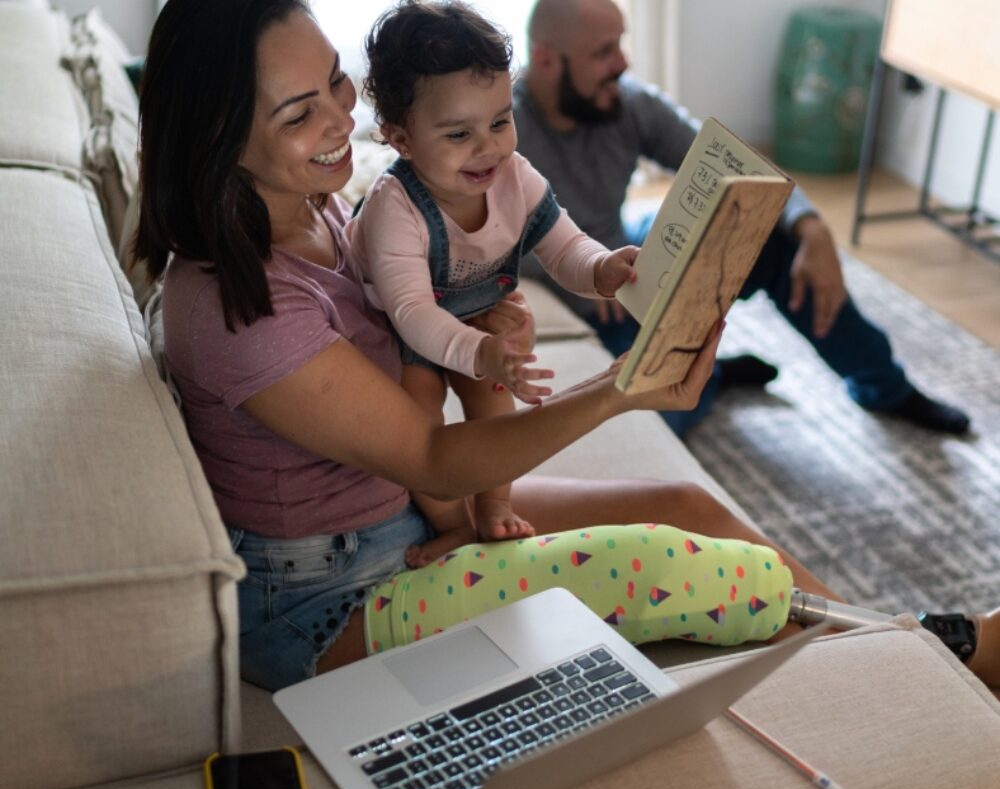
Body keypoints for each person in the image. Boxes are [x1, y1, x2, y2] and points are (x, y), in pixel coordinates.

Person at [134, 0, 854, 693]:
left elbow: (427, 336)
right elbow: (433, 458)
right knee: (667, 565)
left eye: (334, 80)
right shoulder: (234, 305)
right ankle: (921, 647)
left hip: (403, 518)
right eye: (299, 113)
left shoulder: (317, 205)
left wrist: (485, 329)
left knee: (685, 505)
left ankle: (903, 651)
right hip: (327, 602)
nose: (340, 117)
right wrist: (617, 389)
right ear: (220, 135)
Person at [514, 0, 972, 438]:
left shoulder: (626, 103)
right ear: (547, 59)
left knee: (781, 242)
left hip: (630, 254)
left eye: (620, 43)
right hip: (590, 294)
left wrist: (813, 229)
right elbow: (479, 240)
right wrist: (584, 275)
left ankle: (886, 387)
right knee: (662, 417)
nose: (622, 63)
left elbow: (742, 170)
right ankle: (712, 376)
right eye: (603, 51)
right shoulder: (502, 131)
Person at [349, 1, 638, 557]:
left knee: (494, 399)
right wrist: (483, 351)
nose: (489, 148)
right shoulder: (395, 208)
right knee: (418, 418)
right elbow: (411, 314)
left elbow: (565, 246)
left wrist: (603, 271)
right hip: (392, 331)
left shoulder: (515, 177)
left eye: (500, 121)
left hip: (472, 321)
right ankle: (448, 522)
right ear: (400, 138)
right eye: (459, 134)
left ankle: (495, 506)